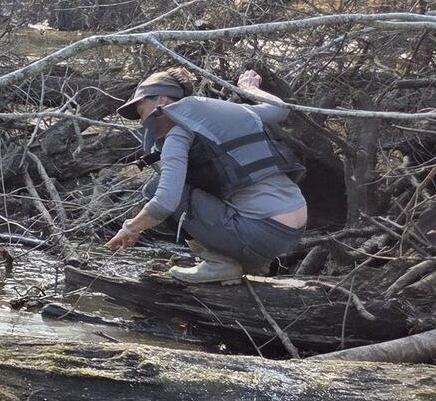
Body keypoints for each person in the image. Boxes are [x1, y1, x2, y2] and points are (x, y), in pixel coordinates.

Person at [104, 67, 308, 283]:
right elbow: (280, 109)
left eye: (141, 111)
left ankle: (219, 263)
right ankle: (245, 261)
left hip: (260, 231)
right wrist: (249, 89)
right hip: (294, 230)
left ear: (161, 101)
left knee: (155, 188)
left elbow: (165, 202)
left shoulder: (178, 134)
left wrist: (130, 228)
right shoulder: (220, 115)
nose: (141, 121)